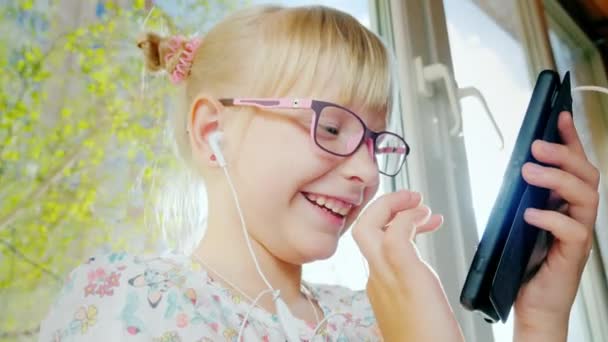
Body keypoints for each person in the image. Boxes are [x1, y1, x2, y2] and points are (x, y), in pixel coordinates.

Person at [38, 4, 600, 341]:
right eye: (331, 128)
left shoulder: (374, 317)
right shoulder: (130, 302)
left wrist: (542, 321)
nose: (365, 172)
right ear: (214, 132)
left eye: (377, 141)